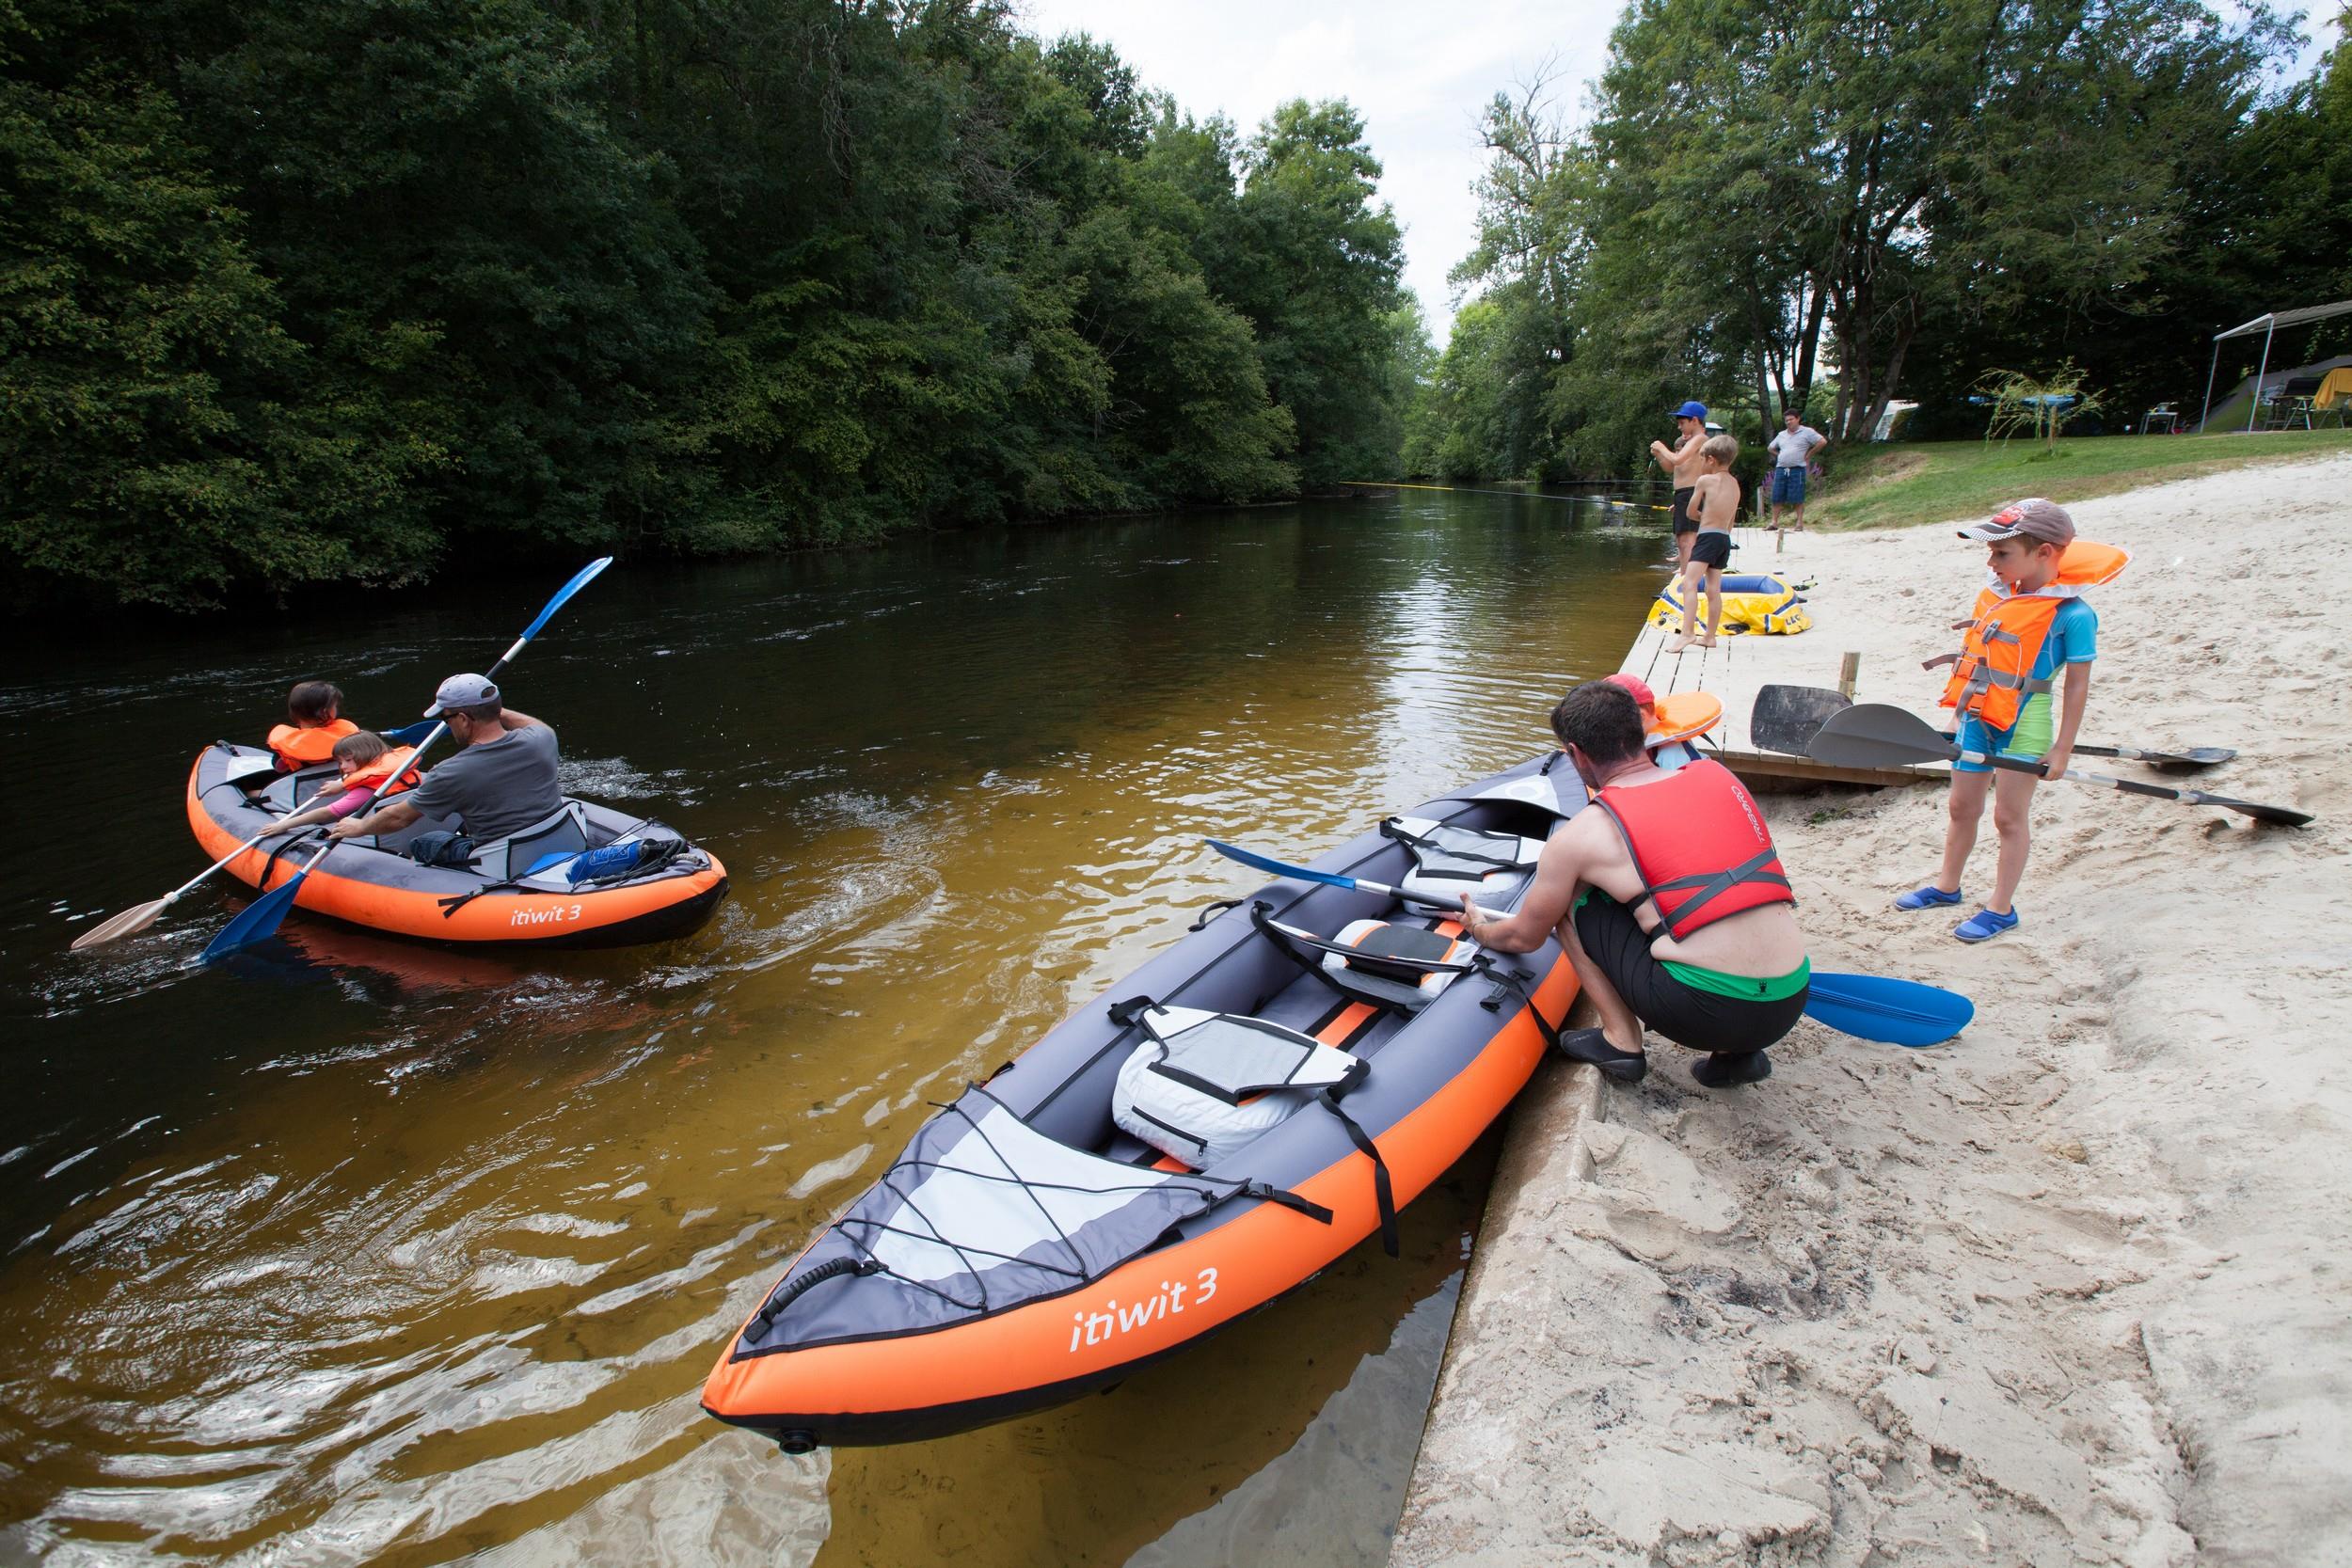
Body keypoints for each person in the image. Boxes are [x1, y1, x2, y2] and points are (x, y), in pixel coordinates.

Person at [1458, 681, 1810, 1089]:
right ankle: (1738, 1057)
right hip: (1790, 999)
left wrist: (1478, 927)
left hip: (1704, 1012)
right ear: (1643, 734)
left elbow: (1524, 938)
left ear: (1575, 753)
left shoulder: (1582, 833)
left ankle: (1620, 1041)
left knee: (1571, 901)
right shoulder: (1718, 778)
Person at [1894, 499, 2115, 942]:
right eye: (1992, 553)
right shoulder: (2002, 598)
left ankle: (2001, 908)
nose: (1991, 563)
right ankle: (1947, 886)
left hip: (2025, 723)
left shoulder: (2073, 615)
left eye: (2002, 553)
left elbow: (2076, 686)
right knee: (1961, 808)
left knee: (2009, 818)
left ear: (2045, 553)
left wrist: (2063, 748)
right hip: (1979, 714)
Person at [328, 673, 562, 853]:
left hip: (502, 855)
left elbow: (399, 817)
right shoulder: (542, 739)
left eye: (446, 717)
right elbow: (535, 725)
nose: (445, 724)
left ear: (462, 719)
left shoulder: (452, 771)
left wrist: (360, 827)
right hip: (555, 837)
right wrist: (491, 709)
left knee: (426, 843)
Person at [258, 731, 421, 836]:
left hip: (378, 835)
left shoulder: (367, 789)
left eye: (348, 760)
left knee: (325, 831)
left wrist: (284, 824)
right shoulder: (405, 771)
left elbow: (328, 813)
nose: (343, 767)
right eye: (340, 762)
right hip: (407, 829)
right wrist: (342, 785)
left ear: (367, 754)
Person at [1665, 434, 1740, 653]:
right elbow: (1731, 521)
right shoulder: (1735, 484)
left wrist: (1703, 517)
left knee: (1689, 583)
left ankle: (1687, 632)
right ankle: (1709, 636)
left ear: (1710, 460)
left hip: (1707, 537)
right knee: (1713, 589)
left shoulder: (1705, 481)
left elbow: (1690, 512)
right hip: (1723, 539)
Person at [1647, 401, 1710, 570]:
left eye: (1682, 423)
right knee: (1681, 539)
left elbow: (1677, 459)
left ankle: (1688, 580)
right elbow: (1671, 467)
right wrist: (1659, 455)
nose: (1679, 427)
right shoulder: (1688, 441)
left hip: (1691, 491)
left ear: (1695, 421)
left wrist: (1661, 446)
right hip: (1683, 494)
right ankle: (1685, 577)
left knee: (1687, 540)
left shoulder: (1700, 439)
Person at [266, 681, 358, 770]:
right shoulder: (348, 738)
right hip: (344, 783)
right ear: (325, 712)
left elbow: (279, 769)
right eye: (335, 706)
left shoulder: (287, 747)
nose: (337, 709)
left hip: (307, 785)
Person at [1765, 409, 1827, 531]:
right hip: (1781, 468)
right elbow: (1770, 447)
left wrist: (1809, 454)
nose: (1788, 422)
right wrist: (1780, 455)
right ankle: (1774, 522)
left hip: (1797, 468)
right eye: (1786, 420)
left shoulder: (1807, 432)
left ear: (1798, 419)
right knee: (1777, 495)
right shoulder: (1782, 434)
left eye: (1791, 419)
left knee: (1797, 495)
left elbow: (1822, 442)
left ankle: (1799, 523)